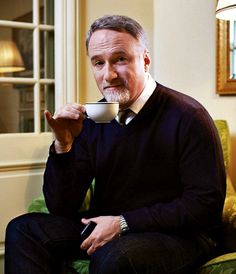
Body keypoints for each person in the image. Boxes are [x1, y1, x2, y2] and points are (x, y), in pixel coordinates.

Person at [5, 15, 226, 274]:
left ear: (145, 60)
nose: (108, 75)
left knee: (115, 257)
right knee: (24, 229)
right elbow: (61, 207)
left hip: (182, 235)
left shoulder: (188, 116)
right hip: (109, 223)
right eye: (98, 63)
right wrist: (64, 145)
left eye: (120, 59)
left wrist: (123, 223)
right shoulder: (95, 117)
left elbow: (205, 205)